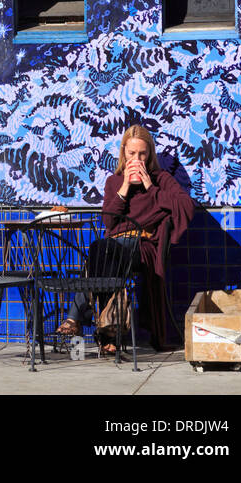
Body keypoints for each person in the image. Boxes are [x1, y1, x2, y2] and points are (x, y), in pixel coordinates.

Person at [57, 124, 194, 352]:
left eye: (142, 153)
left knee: (100, 251)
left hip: (143, 246)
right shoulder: (114, 182)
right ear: (124, 153)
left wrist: (150, 187)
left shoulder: (161, 179)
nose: (137, 159)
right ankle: (110, 335)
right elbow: (109, 222)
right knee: (103, 252)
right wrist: (125, 186)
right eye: (132, 154)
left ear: (149, 153)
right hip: (115, 249)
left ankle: (75, 318)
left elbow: (185, 207)